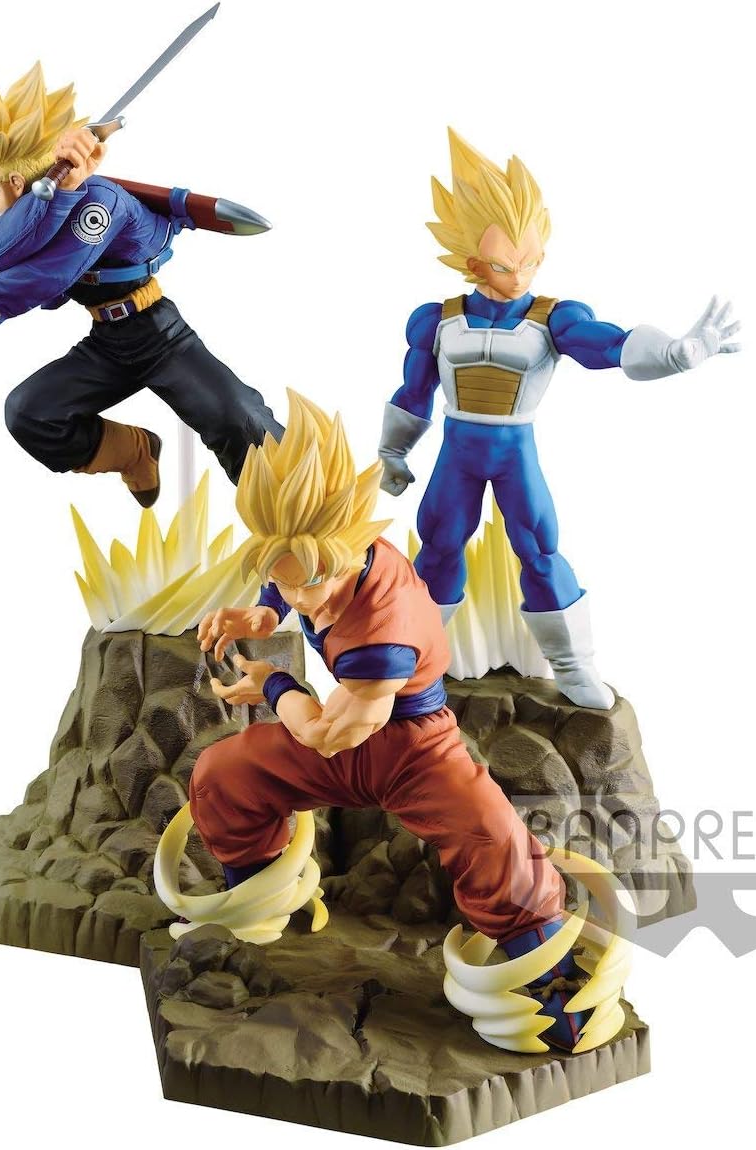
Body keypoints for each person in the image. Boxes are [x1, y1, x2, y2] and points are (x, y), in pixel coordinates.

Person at [187, 390, 626, 1053]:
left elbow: (326, 734)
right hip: (349, 727)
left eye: (307, 582)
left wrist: (272, 683)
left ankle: (555, 992)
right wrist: (265, 611)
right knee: (227, 772)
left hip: (412, 746)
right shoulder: (331, 552)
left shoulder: (381, 635)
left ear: (343, 548)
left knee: (497, 849)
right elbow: (293, 574)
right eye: (283, 576)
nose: (300, 596)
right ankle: (256, 909)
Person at [378, 129, 740, 707]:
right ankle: (416, 660)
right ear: (473, 263)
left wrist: (674, 353)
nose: (520, 276)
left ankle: (573, 666)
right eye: (505, 265)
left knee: (540, 549)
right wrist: (393, 451)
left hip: (513, 451)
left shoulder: (555, 318)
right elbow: (415, 387)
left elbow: (606, 344)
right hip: (457, 450)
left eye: (530, 261)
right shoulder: (437, 319)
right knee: (439, 546)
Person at [0, 63, 280, 505]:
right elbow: (21, 263)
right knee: (30, 413)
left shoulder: (98, 203)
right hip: (108, 340)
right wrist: (60, 195)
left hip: (158, 334)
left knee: (240, 420)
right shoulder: (46, 211)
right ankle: (135, 452)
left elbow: (53, 273)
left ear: (15, 181)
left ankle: (313, 513)